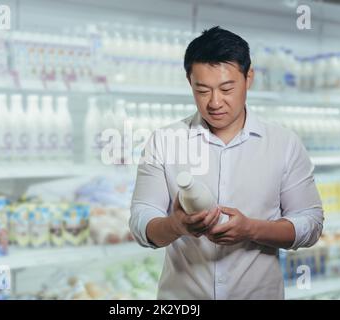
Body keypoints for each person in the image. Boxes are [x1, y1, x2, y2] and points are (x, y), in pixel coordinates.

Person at [129, 26, 324, 300]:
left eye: (227, 88)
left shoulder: (284, 143)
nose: (215, 102)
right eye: (202, 90)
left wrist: (251, 229)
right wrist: (177, 225)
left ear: (249, 78)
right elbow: (141, 220)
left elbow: (311, 224)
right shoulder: (164, 141)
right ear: (189, 82)